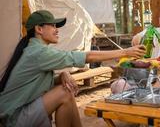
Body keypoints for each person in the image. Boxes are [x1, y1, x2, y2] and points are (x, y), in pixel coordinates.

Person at [0, 10, 145, 127]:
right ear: (39, 29)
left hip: (24, 111)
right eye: (53, 26)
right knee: (65, 92)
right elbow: (86, 57)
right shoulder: (39, 52)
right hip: (14, 118)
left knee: (66, 90)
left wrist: (62, 75)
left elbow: (37, 82)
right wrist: (126, 52)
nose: (57, 30)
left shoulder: (33, 49)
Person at [111, 5, 160, 93]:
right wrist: (138, 41)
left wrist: (159, 83)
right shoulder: (151, 32)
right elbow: (136, 39)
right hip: (141, 78)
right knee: (117, 85)